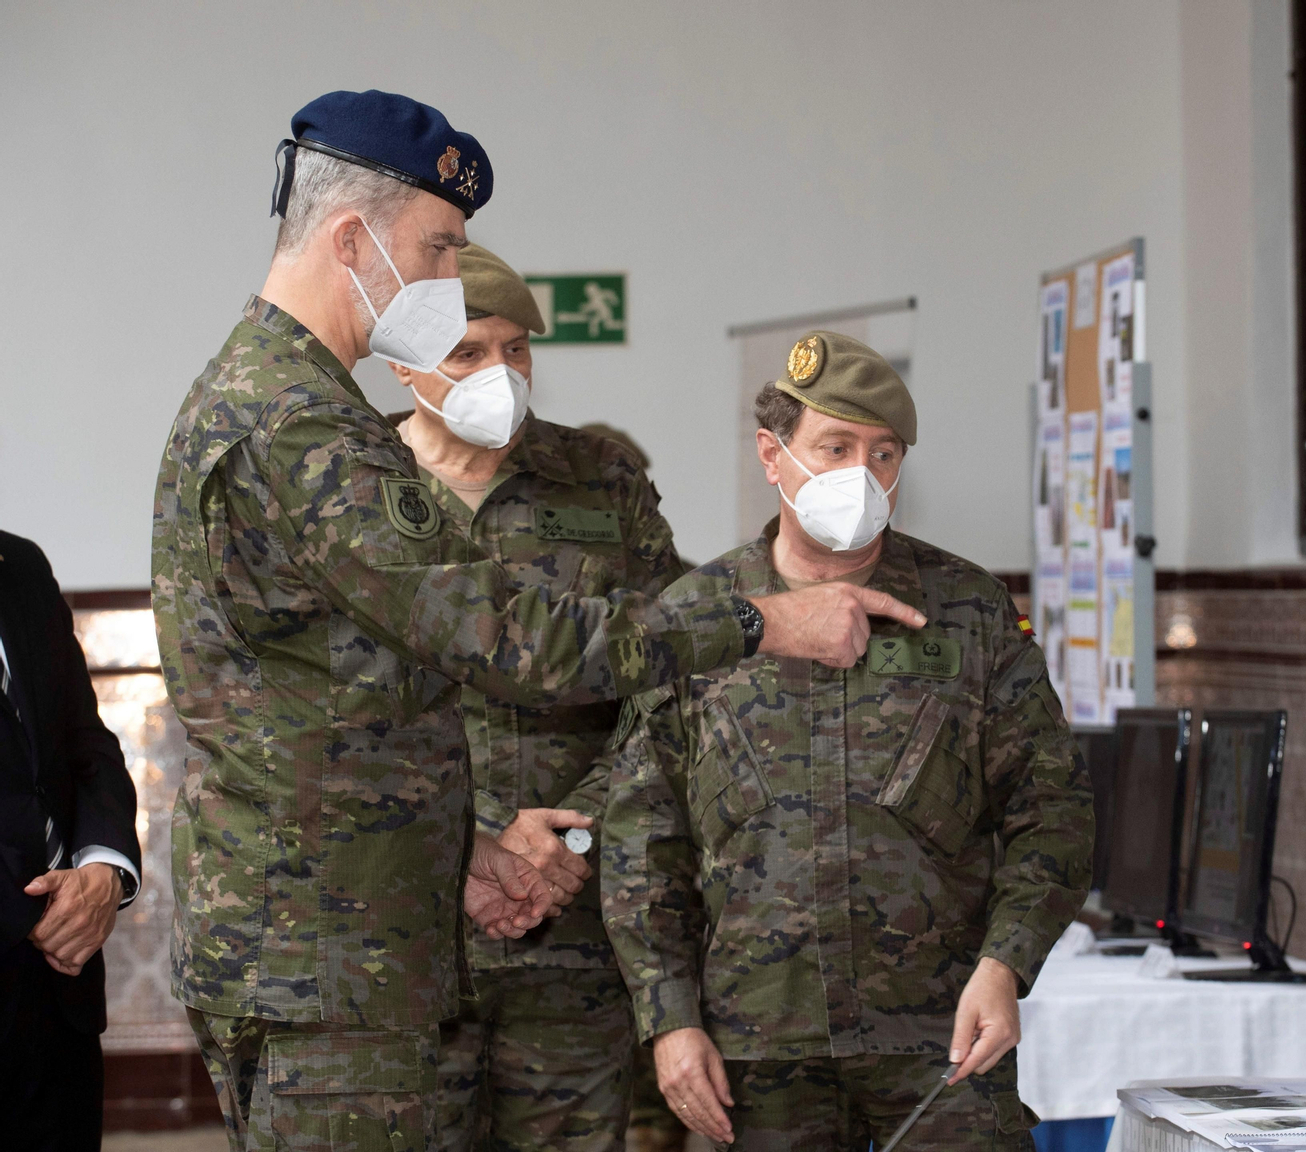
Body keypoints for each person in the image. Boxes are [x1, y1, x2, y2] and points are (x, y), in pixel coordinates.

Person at [152, 93, 921, 1152]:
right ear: (349, 239)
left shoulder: (278, 400)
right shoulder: (298, 424)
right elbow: (509, 638)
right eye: (436, 249)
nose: (442, 278)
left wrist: (460, 843)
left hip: (353, 920)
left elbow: (321, 714)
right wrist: (762, 624)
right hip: (326, 955)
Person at [601, 332, 1094, 1149]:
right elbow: (640, 841)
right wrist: (668, 1021)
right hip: (756, 1045)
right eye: (834, 447)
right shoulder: (700, 616)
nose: (861, 474)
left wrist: (1007, 964)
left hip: (940, 1040)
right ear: (773, 454)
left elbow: (1054, 810)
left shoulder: (967, 610)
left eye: (884, 454)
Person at [384, 242, 682, 1150]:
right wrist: (465, 847)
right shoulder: (353, 489)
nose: (499, 373)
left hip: (570, 912)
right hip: (405, 926)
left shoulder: (602, 482)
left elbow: (671, 678)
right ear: (403, 366)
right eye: (467, 353)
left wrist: (576, 826)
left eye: (515, 350)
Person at [0, 530, 142, 1150]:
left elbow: (85, 739)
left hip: (62, 982)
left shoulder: (20, 564)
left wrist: (104, 869)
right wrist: (25, 906)